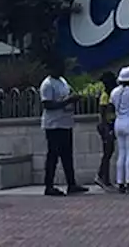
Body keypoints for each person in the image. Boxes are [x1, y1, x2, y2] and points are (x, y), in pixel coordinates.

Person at [39, 58, 88, 196]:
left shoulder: (62, 81)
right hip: (54, 125)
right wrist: (68, 101)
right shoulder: (47, 84)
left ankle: (71, 184)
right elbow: (47, 105)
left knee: (67, 155)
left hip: (66, 122)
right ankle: (49, 185)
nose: (62, 70)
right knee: (53, 156)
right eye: (59, 68)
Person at [95, 70, 118, 189]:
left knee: (109, 152)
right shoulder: (105, 96)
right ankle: (102, 177)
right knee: (107, 152)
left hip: (111, 125)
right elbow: (102, 114)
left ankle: (104, 178)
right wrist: (106, 129)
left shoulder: (112, 93)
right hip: (106, 126)